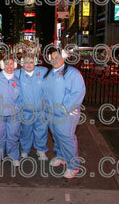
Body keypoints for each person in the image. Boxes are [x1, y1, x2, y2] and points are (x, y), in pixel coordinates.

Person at [42, 47, 86, 179]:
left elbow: (78, 93)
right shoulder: (49, 73)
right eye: (52, 57)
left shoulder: (73, 73)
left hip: (66, 114)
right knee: (56, 137)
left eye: (57, 57)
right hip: (51, 113)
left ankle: (74, 166)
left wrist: (64, 108)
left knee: (67, 139)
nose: (54, 60)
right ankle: (61, 156)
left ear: (64, 57)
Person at [14, 54, 49, 160]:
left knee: (41, 132)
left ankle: (41, 150)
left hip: (41, 110)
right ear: (22, 64)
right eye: (26, 62)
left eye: (31, 62)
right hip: (26, 111)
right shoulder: (17, 74)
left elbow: (58, 74)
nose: (28, 64)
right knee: (25, 132)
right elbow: (3, 76)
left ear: (35, 62)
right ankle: (25, 150)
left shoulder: (43, 71)